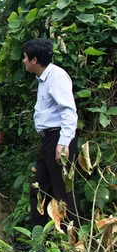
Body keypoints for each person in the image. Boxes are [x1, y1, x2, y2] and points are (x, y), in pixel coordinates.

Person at [22, 38, 80, 233]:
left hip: (59, 138)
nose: (24, 61)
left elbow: (69, 112)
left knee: (64, 191)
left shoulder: (56, 77)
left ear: (34, 59)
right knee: (39, 189)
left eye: (25, 57)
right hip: (49, 140)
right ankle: (38, 238)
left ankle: (74, 240)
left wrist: (63, 143)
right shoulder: (43, 79)